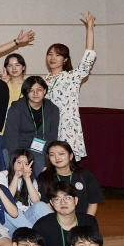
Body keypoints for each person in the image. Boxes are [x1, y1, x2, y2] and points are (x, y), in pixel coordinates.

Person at [45, 12, 97, 161]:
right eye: (50, 54)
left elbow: (88, 57)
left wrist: (90, 28)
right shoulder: (43, 81)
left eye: (58, 55)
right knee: (49, 164)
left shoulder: (72, 76)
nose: (52, 58)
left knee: (66, 164)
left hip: (67, 128)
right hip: (48, 127)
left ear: (65, 59)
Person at [31, 181, 100, 246]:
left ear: (76, 200)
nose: (63, 202)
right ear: (52, 203)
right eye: (57, 199)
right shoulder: (42, 225)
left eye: (67, 198)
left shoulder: (89, 221)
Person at [3, 76, 59, 175]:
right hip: (16, 147)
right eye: (31, 90)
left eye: (39, 89)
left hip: (40, 150)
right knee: (18, 176)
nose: (35, 93)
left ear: (45, 91)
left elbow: (52, 137)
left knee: (41, 175)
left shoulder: (53, 109)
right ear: (26, 92)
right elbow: (11, 137)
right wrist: (18, 160)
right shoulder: (16, 108)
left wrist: (47, 161)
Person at [37, 141, 104, 216]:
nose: (57, 158)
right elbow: (46, 205)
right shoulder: (44, 177)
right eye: (52, 155)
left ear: (71, 156)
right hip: (55, 220)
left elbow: (93, 202)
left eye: (61, 154)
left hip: (82, 219)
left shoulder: (84, 174)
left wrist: (88, 220)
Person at [0, 149, 51, 234]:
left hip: (25, 218)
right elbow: (7, 199)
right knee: (10, 208)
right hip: (9, 222)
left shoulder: (31, 179)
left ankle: (54, 230)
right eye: (19, 162)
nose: (22, 166)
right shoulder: (2, 175)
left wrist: (27, 179)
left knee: (41, 205)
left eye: (26, 164)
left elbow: (36, 200)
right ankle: (35, 235)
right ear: (13, 162)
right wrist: (16, 177)